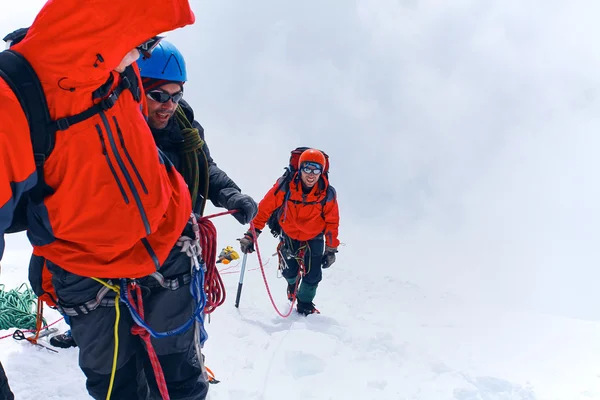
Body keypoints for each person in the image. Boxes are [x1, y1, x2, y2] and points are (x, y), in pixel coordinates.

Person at [0, 0, 219, 398]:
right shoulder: (13, 98)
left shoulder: (120, 72)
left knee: (180, 383)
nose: (143, 52)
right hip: (87, 269)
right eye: (142, 41)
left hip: (165, 245)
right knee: (119, 388)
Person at [48, 40, 258, 350]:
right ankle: (83, 330)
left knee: (179, 324)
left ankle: (188, 354)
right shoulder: (110, 130)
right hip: (121, 246)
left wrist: (231, 195)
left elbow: (205, 167)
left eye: (176, 96)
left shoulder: (185, 128)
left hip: (176, 244)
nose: (168, 106)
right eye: (158, 96)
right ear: (135, 89)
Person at [238, 149, 340, 315]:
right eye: (308, 168)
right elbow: (264, 209)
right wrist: (252, 234)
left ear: (322, 172)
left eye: (316, 170)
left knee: (313, 276)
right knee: (289, 271)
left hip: (314, 236)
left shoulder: (327, 194)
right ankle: (292, 285)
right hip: (289, 233)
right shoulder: (285, 186)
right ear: (300, 168)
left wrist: (330, 249)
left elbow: (332, 222)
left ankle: (305, 304)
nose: (311, 174)